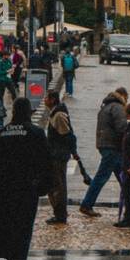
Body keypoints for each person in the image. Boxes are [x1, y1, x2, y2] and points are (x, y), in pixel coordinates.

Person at [0, 97, 52, 260]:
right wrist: (42, 186)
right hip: (27, 189)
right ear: (28, 112)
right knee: (22, 232)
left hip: (6, 190)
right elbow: (46, 161)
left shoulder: (1, 134)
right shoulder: (35, 133)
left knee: (4, 232)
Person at [79, 87, 128, 217]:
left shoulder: (105, 106)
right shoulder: (117, 107)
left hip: (105, 145)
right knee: (102, 177)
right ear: (123, 96)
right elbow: (121, 128)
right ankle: (86, 204)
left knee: (122, 176)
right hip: (112, 146)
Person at [43, 90, 76, 225]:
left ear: (52, 100)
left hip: (58, 156)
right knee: (56, 184)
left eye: (46, 98)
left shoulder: (59, 115)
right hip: (56, 154)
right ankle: (59, 212)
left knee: (58, 186)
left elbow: (66, 135)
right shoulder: (55, 113)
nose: (44, 100)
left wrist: (71, 151)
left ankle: (60, 214)